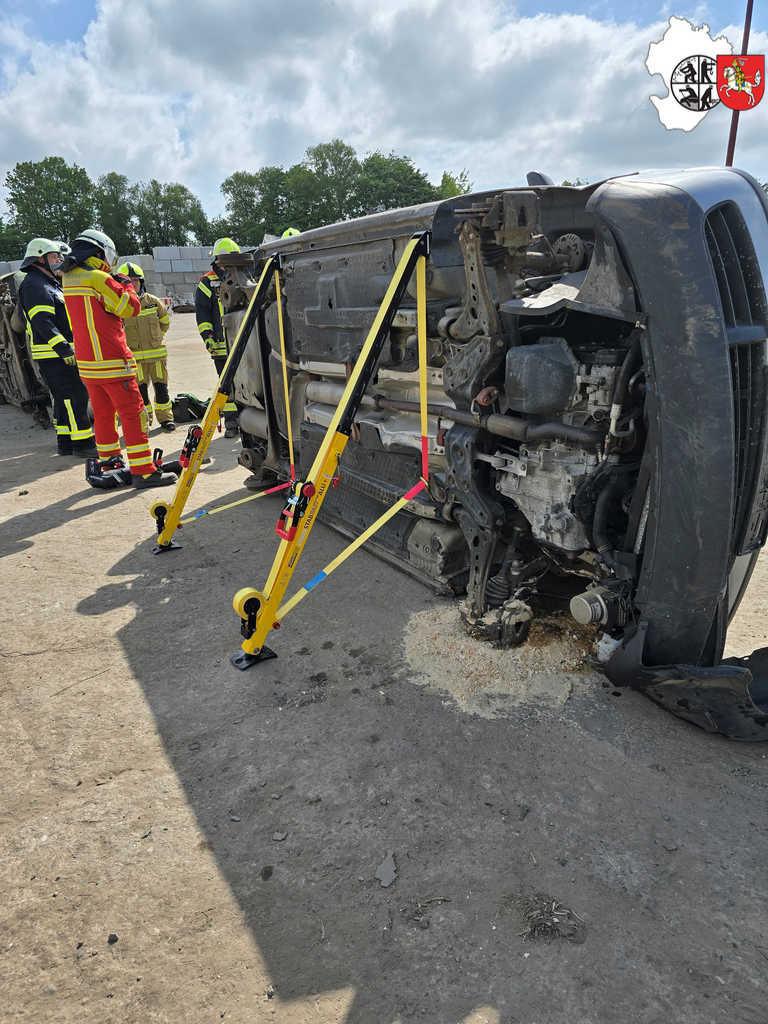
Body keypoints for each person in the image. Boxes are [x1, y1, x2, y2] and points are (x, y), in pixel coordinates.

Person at [62, 229, 176, 489]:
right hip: (113, 361)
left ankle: (111, 464)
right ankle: (144, 471)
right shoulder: (98, 278)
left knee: (103, 416)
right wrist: (124, 283)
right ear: (100, 252)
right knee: (133, 415)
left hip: (89, 366)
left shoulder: (69, 278)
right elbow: (130, 308)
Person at [18, 238, 97, 457]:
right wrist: (64, 349)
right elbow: (42, 322)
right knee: (75, 397)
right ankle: (83, 444)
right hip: (55, 355)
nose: (59, 260)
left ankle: (65, 442)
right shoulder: (35, 284)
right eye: (54, 257)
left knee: (63, 399)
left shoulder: (48, 283)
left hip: (57, 354)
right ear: (39, 259)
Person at [116, 262, 175, 431]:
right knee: (140, 393)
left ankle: (166, 419)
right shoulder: (120, 305)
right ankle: (145, 422)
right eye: (129, 280)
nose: (133, 284)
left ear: (141, 281)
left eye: (136, 280)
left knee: (161, 389)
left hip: (156, 356)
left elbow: (164, 322)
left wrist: (156, 339)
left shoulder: (153, 302)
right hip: (134, 360)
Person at [195, 236, 240, 437]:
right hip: (221, 345)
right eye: (224, 261)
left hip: (243, 342)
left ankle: (249, 423)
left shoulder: (242, 277)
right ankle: (232, 424)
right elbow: (202, 313)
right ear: (217, 261)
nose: (227, 266)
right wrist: (208, 337)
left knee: (248, 384)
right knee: (227, 387)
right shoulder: (207, 282)